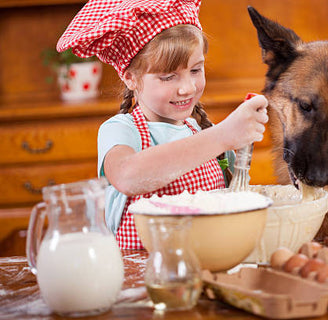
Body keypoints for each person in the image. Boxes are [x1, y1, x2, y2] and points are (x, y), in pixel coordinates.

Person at [57, 0, 268, 249]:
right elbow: (128, 176)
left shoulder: (207, 136)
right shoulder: (122, 129)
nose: (187, 87)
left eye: (196, 70)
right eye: (168, 76)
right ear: (131, 78)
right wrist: (222, 136)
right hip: (140, 277)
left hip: (205, 270)